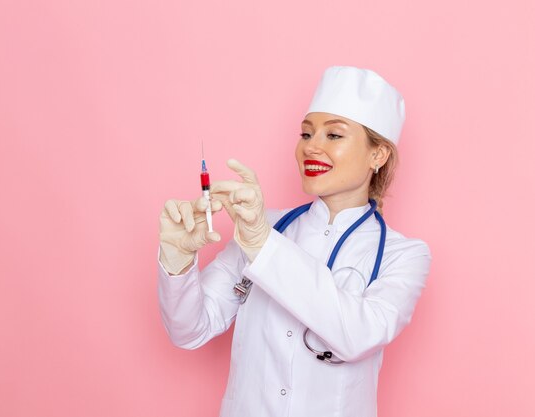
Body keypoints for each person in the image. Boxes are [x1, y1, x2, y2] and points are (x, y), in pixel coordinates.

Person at [156, 65, 432, 417]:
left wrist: (262, 244)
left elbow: (358, 334)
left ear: (378, 155)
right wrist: (177, 259)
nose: (311, 147)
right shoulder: (264, 227)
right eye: (305, 134)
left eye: (334, 136)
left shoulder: (403, 255)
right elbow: (189, 330)